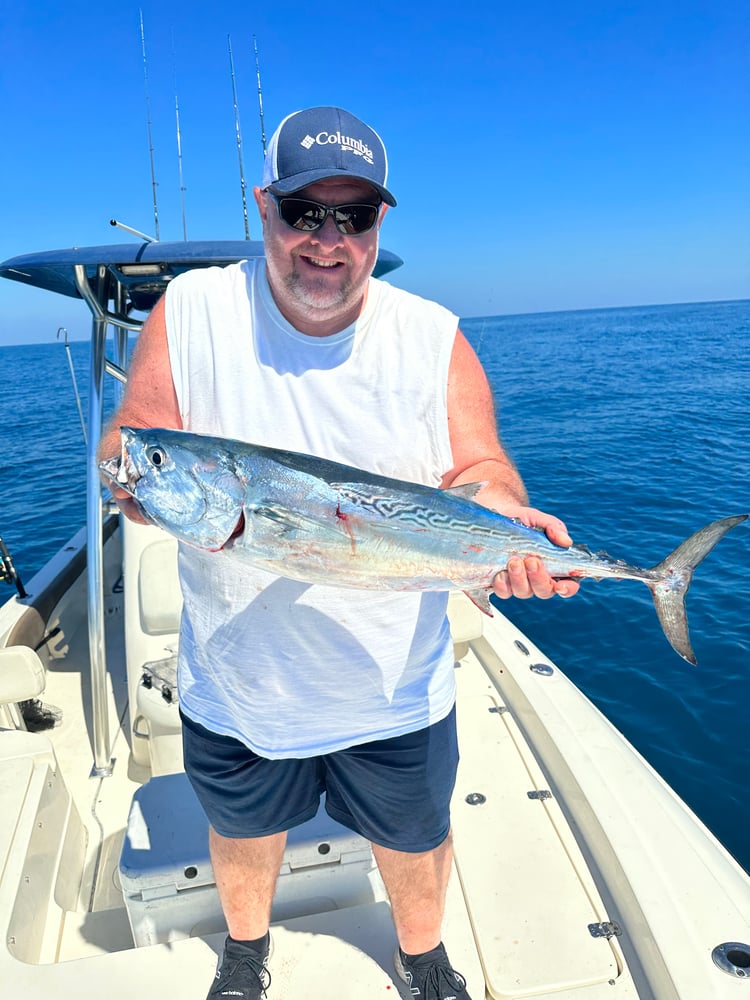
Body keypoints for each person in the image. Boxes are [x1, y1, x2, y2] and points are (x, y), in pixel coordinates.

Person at [100, 106, 579, 1000]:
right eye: (304, 212)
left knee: (414, 837)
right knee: (241, 834)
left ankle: (424, 959)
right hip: (241, 685)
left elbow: (478, 465)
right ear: (264, 205)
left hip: (395, 684)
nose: (327, 240)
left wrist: (510, 525)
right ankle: (245, 954)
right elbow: (133, 437)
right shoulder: (196, 308)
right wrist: (133, 476)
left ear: (380, 223)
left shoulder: (430, 333)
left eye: (352, 216)